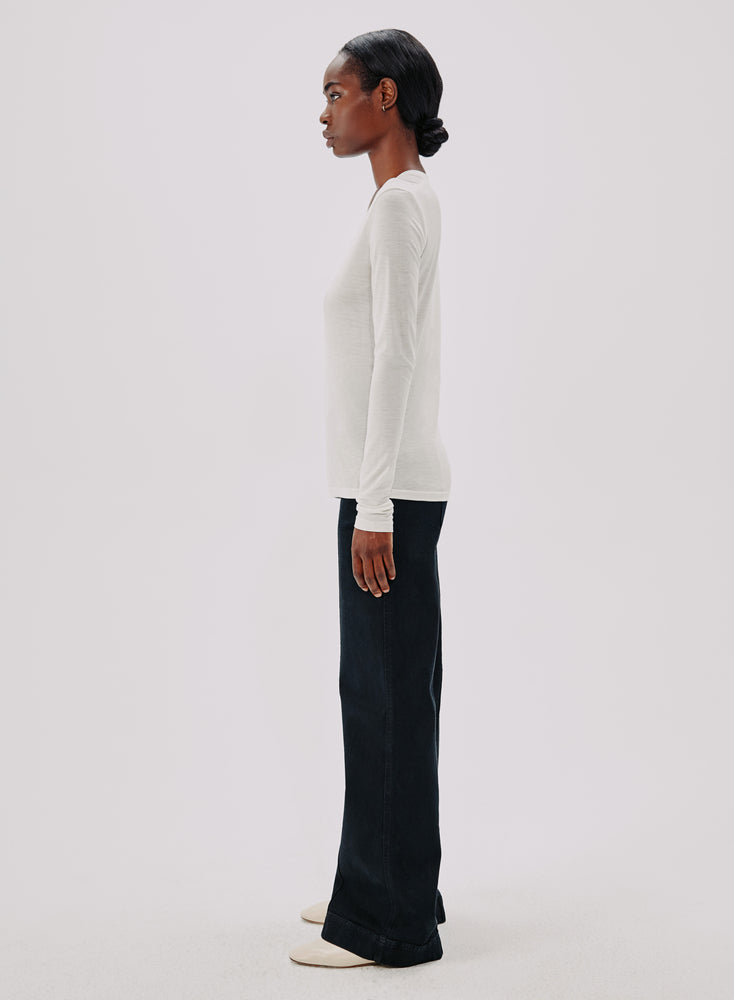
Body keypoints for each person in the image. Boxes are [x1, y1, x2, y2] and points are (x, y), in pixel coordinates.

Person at [289, 28, 451, 969]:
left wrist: (374, 507)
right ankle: (391, 885)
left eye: (334, 92)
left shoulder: (399, 206)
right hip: (389, 486)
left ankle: (388, 922)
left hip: (385, 494)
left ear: (385, 97)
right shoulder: (405, 200)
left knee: (384, 700)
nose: (323, 113)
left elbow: (396, 357)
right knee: (390, 695)